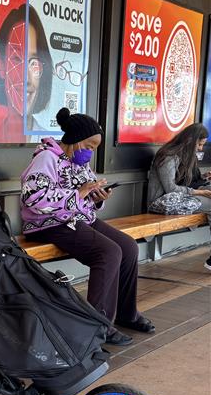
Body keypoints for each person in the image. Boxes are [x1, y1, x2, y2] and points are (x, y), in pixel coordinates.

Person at [20, 107, 155, 346]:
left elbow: (85, 194)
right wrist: (79, 194)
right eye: (90, 146)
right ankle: (97, 326)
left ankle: (127, 314)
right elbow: (32, 198)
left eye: (95, 147)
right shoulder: (45, 158)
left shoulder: (78, 161)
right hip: (50, 223)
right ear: (75, 139)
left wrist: (97, 197)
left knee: (128, 247)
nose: (91, 152)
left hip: (78, 218)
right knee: (108, 252)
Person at [147, 123, 211, 270]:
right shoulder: (167, 156)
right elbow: (171, 188)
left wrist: (204, 178)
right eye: (199, 144)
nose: (200, 148)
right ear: (190, 140)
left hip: (180, 199)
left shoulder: (186, 155)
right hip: (162, 203)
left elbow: (188, 182)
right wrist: (201, 192)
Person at [0, 4, 53, 143]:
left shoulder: (55, 145)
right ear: (1, 64)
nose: (26, 78)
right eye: (17, 59)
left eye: (34, 62)